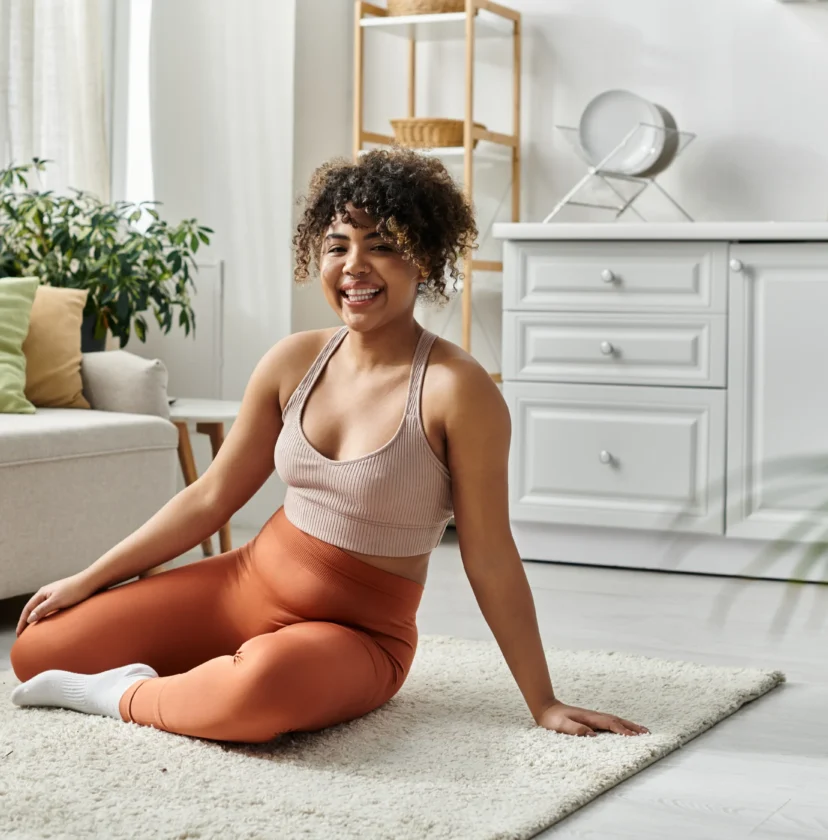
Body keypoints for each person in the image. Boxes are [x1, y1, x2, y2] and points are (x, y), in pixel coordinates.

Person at [10, 148, 649, 742]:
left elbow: (490, 556)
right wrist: (87, 579)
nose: (354, 268)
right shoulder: (294, 360)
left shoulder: (459, 391)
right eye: (337, 246)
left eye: (383, 247)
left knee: (257, 692)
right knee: (36, 647)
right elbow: (210, 498)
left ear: (422, 259)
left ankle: (123, 695)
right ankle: (208, 675)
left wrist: (543, 701)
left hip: (358, 634)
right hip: (244, 586)